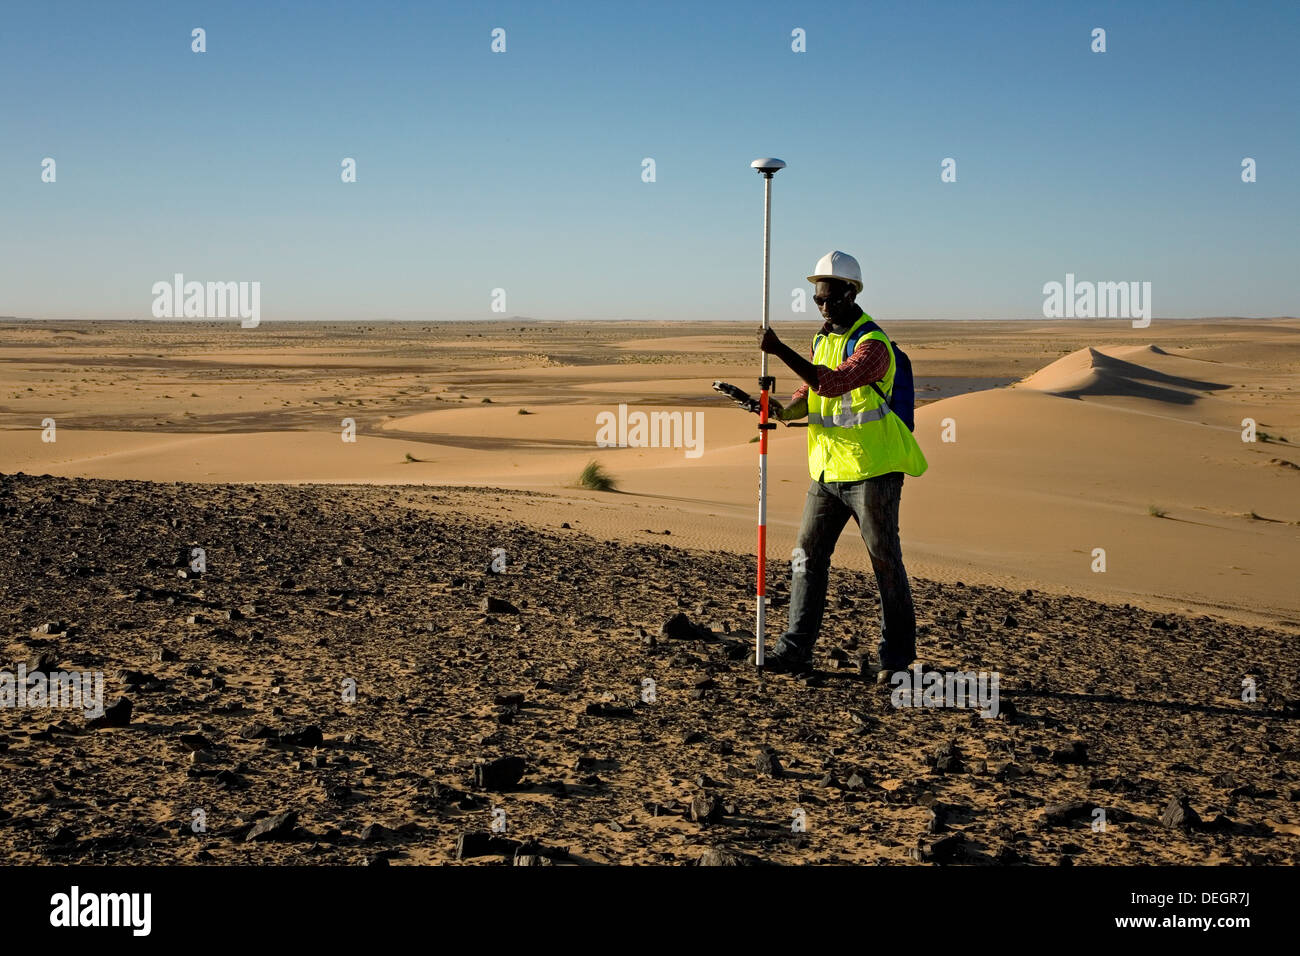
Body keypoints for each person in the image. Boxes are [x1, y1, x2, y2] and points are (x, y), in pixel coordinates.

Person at [755, 251, 928, 679]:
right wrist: (780, 409)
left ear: (852, 293)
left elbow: (830, 384)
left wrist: (778, 349)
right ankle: (795, 649)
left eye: (831, 298)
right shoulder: (822, 340)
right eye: (818, 299)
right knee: (805, 556)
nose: (824, 306)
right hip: (828, 473)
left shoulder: (874, 346)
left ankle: (897, 660)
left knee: (885, 561)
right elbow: (808, 397)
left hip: (873, 471)